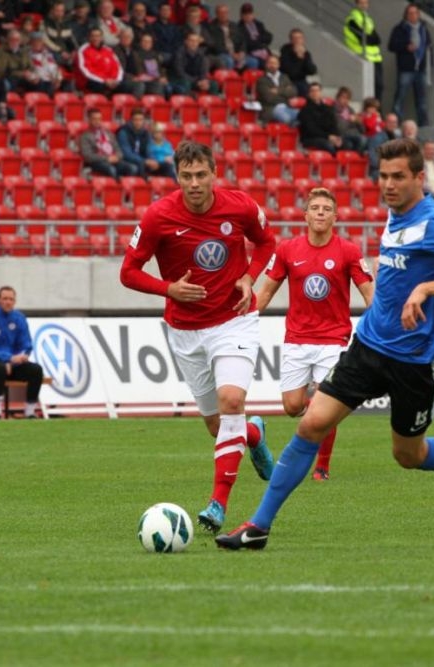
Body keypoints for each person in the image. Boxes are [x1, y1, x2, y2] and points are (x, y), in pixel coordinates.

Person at [215, 138, 434, 550]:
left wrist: (428, 290)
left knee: (408, 455)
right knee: (310, 423)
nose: (389, 185)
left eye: (398, 177)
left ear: (420, 178)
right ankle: (258, 526)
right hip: (368, 346)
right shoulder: (394, 214)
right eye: (383, 176)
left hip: (416, 361)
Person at [119, 141, 278, 533]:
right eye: (186, 176)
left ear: (214, 173)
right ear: (177, 176)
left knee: (232, 400)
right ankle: (253, 434)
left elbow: (267, 242)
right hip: (186, 331)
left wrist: (249, 277)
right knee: (217, 424)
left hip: (234, 320)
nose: (194, 183)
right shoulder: (158, 216)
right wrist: (169, 289)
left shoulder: (240, 206)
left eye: (201, 175)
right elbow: (128, 272)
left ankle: (217, 504)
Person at [254, 187, 375, 481]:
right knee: (292, 406)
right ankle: (310, 416)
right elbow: (265, 292)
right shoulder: (287, 250)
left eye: (326, 209)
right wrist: (242, 320)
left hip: (334, 340)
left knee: (326, 404)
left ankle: (322, 466)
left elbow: (370, 294)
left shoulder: (349, 251)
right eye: (315, 208)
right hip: (297, 338)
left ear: (335, 217)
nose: (321, 213)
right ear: (305, 215)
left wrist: (378, 325)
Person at [0, 286, 44, 419]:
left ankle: (30, 412)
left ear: (14, 301)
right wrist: (8, 359)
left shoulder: (19, 318)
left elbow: (26, 344)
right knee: (0, 368)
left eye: (11, 299)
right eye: (5, 299)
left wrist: (22, 357)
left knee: (36, 370)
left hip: (11, 365)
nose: (8, 302)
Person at [80, 107, 138, 180]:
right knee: (111, 169)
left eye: (99, 119)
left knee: (132, 168)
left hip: (113, 159)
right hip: (97, 162)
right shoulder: (85, 136)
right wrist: (106, 158)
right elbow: (88, 156)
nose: (97, 121)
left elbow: (118, 149)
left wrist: (117, 157)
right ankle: (116, 185)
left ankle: (124, 185)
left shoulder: (108, 133)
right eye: (94, 119)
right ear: (89, 120)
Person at [343, 0, 383, 103]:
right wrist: (370, 38)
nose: (364, 5)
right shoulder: (352, 19)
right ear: (356, 4)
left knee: (379, 87)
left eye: (366, 3)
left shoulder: (368, 19)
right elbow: (363, 39)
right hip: (363, 56)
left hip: (375, 57)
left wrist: (370, 38)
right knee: (374, 88)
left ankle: (377, 110)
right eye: (361, 3)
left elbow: (378, 39)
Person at [255, 54, 298, 125]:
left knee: (302, 117)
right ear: (266, 65)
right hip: (271, 109)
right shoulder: (262, 80)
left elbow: (294, 92)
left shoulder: (285, 77)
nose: (272, 65)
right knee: (286, 118)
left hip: (286, 107)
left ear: (279, 65)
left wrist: (278, 91)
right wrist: (285, 92)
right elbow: (268, 98)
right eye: (270, 63)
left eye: (275, 63)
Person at [279, 28, 317, 97]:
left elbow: (312, 71)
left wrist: (304, 58)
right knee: (302, 89)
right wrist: (299, 59)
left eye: (300, 38)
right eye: (295, 38)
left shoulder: (306, 53)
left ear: (303, 40)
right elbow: (291, 72)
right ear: (291, 40)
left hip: (301, 81)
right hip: (287, 80)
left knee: (313, 91)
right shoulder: (285, 50)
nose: (297, 40)